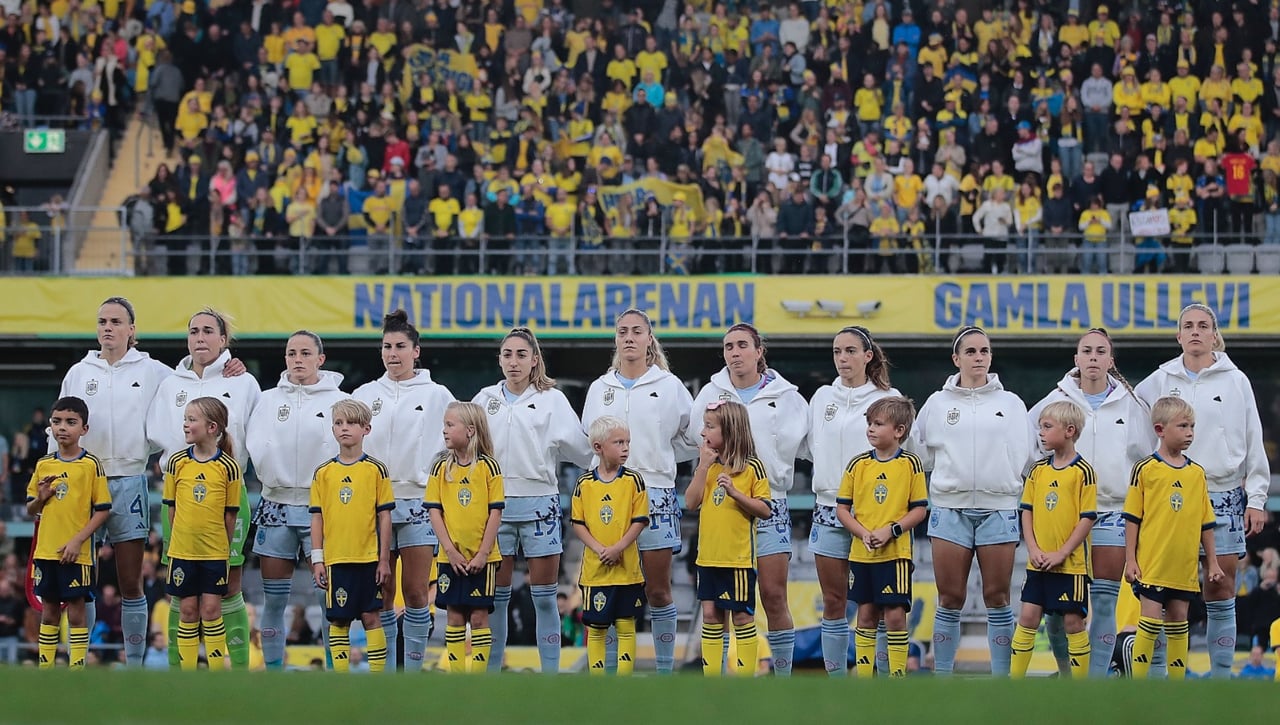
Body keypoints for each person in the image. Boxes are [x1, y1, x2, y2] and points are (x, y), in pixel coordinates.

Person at [1135, 304, 1270, 678]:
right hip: (1170, 496)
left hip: (1223, 493)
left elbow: (1253, 439)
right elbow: (1134, 422)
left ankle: (1221, 676)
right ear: (1178, 336)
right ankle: (1162, 677)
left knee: (1221, 588)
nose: (1195, 332)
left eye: (1203, 326)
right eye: (1188, 326)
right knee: (1162, 591)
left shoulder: (1235, 380)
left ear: (1214, 334)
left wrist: (1256, 498)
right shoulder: (1160, 379)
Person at [1028, 328, 1154, 677]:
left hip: (1112, 513)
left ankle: (1095, 680)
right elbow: (1029, 453)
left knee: (1102, 600)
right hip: (1062, 518)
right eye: (1087, 351)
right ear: (1076, 359)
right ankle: (1068, 674)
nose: (1094, 357)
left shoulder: (1132, 405)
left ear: (1111, 361)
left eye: (1101, 351)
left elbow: (1148, 461)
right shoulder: (1054, 401)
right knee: (1056, 610)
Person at [56, 298, 172, 666]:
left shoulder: (154, 371)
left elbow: (193, 383)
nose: (108, 327)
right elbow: (59, 424)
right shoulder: (79, 371)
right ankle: (79, 661)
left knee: (130, 583)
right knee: (80, 586)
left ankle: (135, 666)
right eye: (102, 321)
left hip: (130, 480)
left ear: (132, 329)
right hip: (83, 481)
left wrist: (228, 366)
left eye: (116, 321)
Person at [689, 324, 809, 676]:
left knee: (772, 595)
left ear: (759, 351)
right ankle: (721, 681)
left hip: (769, 502)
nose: (735, 352)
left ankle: (782, 676)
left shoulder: (787, 396)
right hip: (723, 507)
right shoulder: (711, 393)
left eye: (742, 345)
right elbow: (695, 442)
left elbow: (809, 447)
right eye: (728, 346)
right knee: (717, 607)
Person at [579, 309, 695, 674]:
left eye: (637, 331)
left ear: (649, 338)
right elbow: (590, 441)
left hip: (657, 493)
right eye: (622, 332)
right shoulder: (600, 389)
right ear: (616, 339)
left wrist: (661, 460)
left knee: (658, 590)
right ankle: (609, 671)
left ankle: (664, 671)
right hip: (607, 499)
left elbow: (690, 438)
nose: (629, 337)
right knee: (610, 589)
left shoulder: (670, 386)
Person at [914, 326, 1034, 677]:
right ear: (956, 359)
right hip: (950, 509)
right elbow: (920, 455)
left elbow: (1028, 459)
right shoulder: (937, 404)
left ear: (991, 357)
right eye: (970, 352)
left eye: (984, 351)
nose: (978, 357)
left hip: (999, 509)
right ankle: (943, 677)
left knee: (997, 598)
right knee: (950, 598)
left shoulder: (1011, 404)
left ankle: (1002, 679)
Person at [474, 328, 592, 674]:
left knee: (544, 597)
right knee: (497, 598)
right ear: (499, 359)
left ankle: (550, 675)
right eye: (507, 354)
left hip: (540, 503)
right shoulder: (483, 399)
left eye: (521, 355)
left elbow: (582, 451)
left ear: (534, 360)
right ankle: (492, 673)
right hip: (495, 506)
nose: (514, 361)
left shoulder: (553, 400)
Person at [147, 309, 260, 670]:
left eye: (208, 331)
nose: (199, 338)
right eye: (193, 331)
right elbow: (157, 436)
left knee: (229, 584)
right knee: (179, 589)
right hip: (180, 493)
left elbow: (258, 437)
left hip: (228, 490)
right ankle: (176, 672)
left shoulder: (244, 383)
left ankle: (236, 670)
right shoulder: (170, 384)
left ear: (224, 340)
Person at [352, 310, 455, 671]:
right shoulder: (365, 394)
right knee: (381, 592)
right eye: (386, 347)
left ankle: (411, 671)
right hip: (373, 503)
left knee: (414, 591)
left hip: (416, 501)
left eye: (400, 347)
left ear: (416, 351)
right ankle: (384, 671)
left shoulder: (437, 394)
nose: (392, 354)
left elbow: (456, 443)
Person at [246, 331, 347, 669]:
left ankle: (336, 670)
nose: (297, 359)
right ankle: (274, 671)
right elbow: (255, 442)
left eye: (305, 353)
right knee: (273, 599)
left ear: (321, 358)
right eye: (291, 353)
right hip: (275, 505)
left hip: (321, 508)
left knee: (328, 597)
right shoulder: (267, 399)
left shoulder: (340, 401)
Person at [807, 326, 899, 676]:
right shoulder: (821, 398)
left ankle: (881, 680)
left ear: (868, 356)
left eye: (850, 351)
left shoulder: (889, 398)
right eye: (836, 352)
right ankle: (839, 681)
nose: (842, 359)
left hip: (875, 513)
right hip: (829, 509)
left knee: (876, 605)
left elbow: (909, 456)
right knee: (834, 602)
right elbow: (809, 447)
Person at [1124, 396, 1224, 680]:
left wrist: (1212, 563)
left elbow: (1206, 522)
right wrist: (1130, 559)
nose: (1190, 432)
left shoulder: (1196, 473)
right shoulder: (1145, 469)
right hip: (1153, 564)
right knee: (1150, 620)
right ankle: (1139, 682)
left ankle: (1177, 685)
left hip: (1184, 566)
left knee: (1179, 620)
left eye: (1192, 426)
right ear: (1160, 429)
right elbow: (1133, 518)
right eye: (1182, 426)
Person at [835, 396, 928, 679]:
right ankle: (865, 677)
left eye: (878, 424)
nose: (871, 429)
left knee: (895, 616)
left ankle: (896, 678)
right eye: (869, 423)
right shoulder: (858, 465)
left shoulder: (911, 464)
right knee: (865, 616)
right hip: (862, 554)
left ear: (899, 431)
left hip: (895, 554)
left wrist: (891, 530)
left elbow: (920, 509)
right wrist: (863, 533)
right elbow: (842, 509)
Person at [1010, 401, 1097, 680]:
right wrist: (1033, 549)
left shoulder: (1083, 471)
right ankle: (1014, 682)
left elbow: (1087, 518)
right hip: (1038, 563)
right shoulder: (1037, 471)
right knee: (1027, 618)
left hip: (1070, 565)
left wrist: (1062, 553)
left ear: (1069, 430)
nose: (1041, 433)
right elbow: (1027, 511)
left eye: (1047, 427)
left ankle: (1077, 685)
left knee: (1073, 622)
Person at [685, 400, 772, 677]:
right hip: (707, 557)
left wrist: (736, 494)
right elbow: (690, 502)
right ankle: (713, 680)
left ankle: (745, 680)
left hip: (737, 560)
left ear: (730, 430)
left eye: (710, 426)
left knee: (742, 617)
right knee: (710, 617)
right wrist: (702, 467)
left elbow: (765, 509)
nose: (703, 432)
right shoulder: (708, 467)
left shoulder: (752, 468)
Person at [309, 399, 393, 674]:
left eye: (352, 423)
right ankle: (340, 680)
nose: (344, 429)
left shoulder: (376, 470)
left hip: (368, 557)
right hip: (336, 559)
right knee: (339, 620)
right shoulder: (323, 473)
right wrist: (318, 559)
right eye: (338, 423)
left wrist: (383, 560)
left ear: (366, 429)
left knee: (371, 616)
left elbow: (384, 517)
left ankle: (378, 677)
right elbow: (317, 517)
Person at [27, 397, 110, 670]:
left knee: (76, 612)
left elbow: (102, 510)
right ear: (50, 426)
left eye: (71, 422)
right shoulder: (43, 465)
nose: (63, 428)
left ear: (84, 429)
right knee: (49, 611)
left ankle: (77, 669)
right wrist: (40, 498)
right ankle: (46, 669)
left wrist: (77, 540)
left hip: (77, 553)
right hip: (46, 550)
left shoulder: (90, 465)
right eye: (57, 422)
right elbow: (31, 509)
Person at [162, 397, 244, 671]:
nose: (185, 424)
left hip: (214, 553)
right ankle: (187, 674)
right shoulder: (176, 463)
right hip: (183, 552)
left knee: (211, 610)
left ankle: (216, 672)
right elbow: (171, 508)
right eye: (185, 418)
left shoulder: (229, 467)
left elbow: (230, 515)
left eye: (191, 419)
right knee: (187, 611)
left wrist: (223, 548)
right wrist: (179, 540)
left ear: (212, 427)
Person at [426, 402, 504, 673]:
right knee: (455, 615)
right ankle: (457, 677)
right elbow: (435, 512)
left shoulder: (488, 467)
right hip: (450, 557)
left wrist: (483, 553)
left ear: (470, 430)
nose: (444, 430)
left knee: (480, 616)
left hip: (483, 558)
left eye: (450, 425)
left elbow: (495, 513)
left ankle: (478, 678)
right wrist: (449, 550)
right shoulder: (440, 468)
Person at [571, 416, 648, 676]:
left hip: (627, 570)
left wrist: (618, 548)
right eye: (618, 442)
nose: (625, 447)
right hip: (596, 571)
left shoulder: (634, 481)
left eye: (627, 442)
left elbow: (639, 521)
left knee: (626, 624)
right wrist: (599, 549)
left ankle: (623, 680)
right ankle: (598, 680)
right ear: (598, 447)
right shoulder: (584, 484)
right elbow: (578, 523)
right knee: (597, 627)